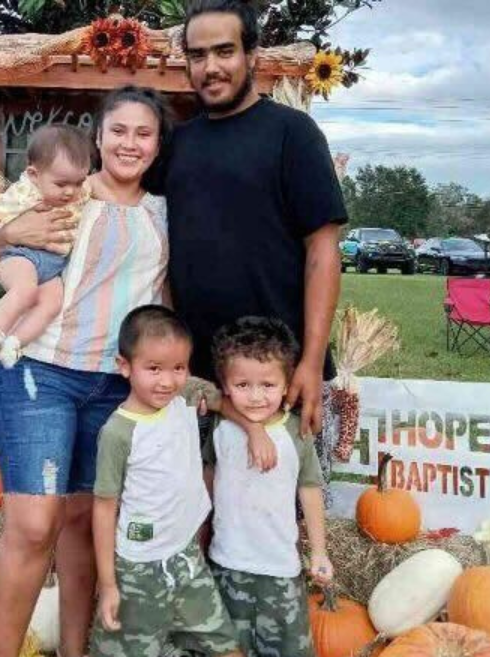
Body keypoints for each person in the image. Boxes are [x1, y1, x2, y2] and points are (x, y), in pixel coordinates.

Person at [0, 86, 171, 657]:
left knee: (86, 520)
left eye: (144, 132)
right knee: (35, 523)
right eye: (119, 131)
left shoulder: (167, 210)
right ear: (100, 136)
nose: (130, 143)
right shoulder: (66, 194)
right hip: (41, 370)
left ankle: (74, 651)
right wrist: (4, 237)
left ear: (158, 144)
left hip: (114, 381)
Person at [69, 305, 274, 657]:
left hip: (185, 558)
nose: (167, 380)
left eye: (178, 367)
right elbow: (104, 509)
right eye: (154, 368)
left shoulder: (185, 395)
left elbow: (220, 401)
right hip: (141, 569)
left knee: (223, 643)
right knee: (111, 654)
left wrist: (253, 429)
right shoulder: (119, 432)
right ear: (124, 366)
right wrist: (108, 584)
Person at [163, 0, 346, 444]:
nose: (210, 67)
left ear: (252, 56)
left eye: (224, 52)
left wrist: (309, 361)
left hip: (276, 379)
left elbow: (323, 249)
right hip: (199, 381)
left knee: (282, 510)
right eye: (197, 54)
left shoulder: (293, 134)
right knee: (198, 508)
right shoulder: (175, 144)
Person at [206, 316, 333, 657]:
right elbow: (207, 480)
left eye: (268, 385)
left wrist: (319, 552)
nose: (256, 396)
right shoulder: (219, 426)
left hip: (279, 567)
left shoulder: (296, 433)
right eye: (243, 385)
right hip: (228, 561)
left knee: (282, 654)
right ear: (226, 386)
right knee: (235, 646)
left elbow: (310, 491)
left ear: (287, 383)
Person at [0, 125, 95, 368]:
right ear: (33, 174)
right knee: (25, 289)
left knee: (52, 303)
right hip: (21, 256)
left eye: (78, 182)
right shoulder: (24, 194)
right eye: (61, 184)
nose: (70, 191)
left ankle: (15, 342)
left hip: (53, 265)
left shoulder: (81, 191)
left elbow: (97, 186)